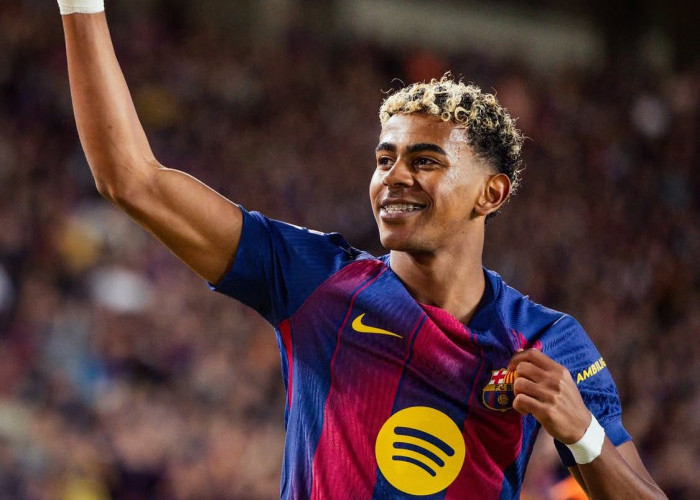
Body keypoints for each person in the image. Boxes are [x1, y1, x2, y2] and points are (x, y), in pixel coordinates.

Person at [57, 1, 667, 499]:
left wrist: (582, 434)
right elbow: (131, 178)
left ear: (491, 192)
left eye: (424, 161)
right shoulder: (313, 281)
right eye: (384, 159)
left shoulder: (546, 342)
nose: (393, 177)